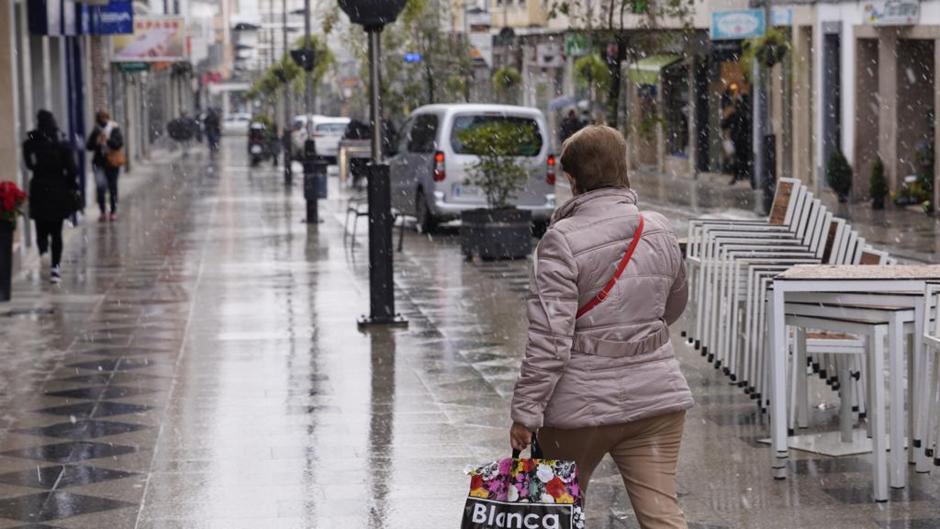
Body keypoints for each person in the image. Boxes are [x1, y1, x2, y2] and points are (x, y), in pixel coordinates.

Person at [509, 125, 692, 529]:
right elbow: (674, 306)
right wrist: (633, 336)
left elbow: (550, 342)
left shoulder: (560, 241)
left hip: (579, 411)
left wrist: (526, 413)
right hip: (657, 401)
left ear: (572, 180)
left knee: (553, 513)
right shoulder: (659, 228)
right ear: (622, 169)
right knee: (663, 515)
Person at [23, 110, 79, 284]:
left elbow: (29, 163)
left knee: (41, 228)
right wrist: (70, 185)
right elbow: (73, 170)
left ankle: (43, 252)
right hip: (58, 190)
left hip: (40, 188)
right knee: (56, 232)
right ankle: (55, 267)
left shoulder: (33, 142)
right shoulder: (61, 142)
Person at [86, 110, 124, 221]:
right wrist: (96, 142)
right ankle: (102, 211)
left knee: (113, 188)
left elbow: (118, 144)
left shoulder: (114, 128)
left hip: (112, 163)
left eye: (104, 118)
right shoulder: (96, 130)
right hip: (99, 163)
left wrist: (108, 140)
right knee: (100, 189)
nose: (103, 121)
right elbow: (89, 146)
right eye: (100, 119)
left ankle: (113, 211)